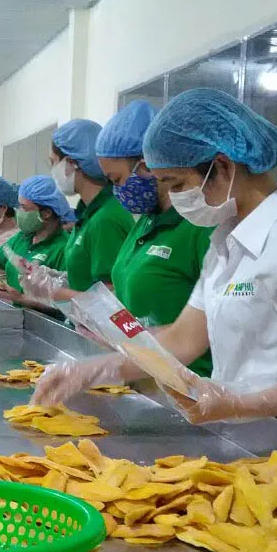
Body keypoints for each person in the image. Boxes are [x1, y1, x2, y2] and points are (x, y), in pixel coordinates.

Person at [33, 88, 277, 434]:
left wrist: (242, 403)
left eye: (178, 184)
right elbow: (182, 339)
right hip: (237, 437)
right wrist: (96, 369)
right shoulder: (225, 243)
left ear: (222, 167)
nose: (174, 198)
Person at [96, 100, 214, 377]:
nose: (117, 191)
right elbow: (131, 302)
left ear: (146, 166)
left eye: (117, 180)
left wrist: (133, 344)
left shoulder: (201, 225)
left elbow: (214, 323)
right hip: (146, 374)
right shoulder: (147, 221)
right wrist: (102, 323)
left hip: (193, 381)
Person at [50, 119, 134, 292]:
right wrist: (58, 280)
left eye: (54, 162)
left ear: (71, 163)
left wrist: (55, 293)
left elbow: (109, 296)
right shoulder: (88, 214)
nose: (53, 170)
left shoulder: (106, 218)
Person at [0, 175, 76, 301]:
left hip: (38, 314)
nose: (19, 212)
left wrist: (20, 298)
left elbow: (66, 303)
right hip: (14, 310)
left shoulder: (64, 248)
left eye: (24, 208)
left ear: (47, 213)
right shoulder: (23, 237)